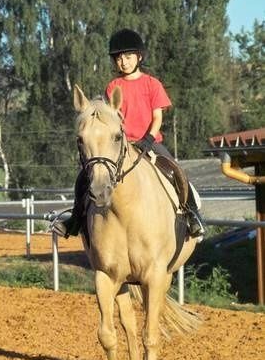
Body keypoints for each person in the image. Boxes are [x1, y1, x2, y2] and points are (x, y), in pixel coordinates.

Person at [52, 28, 204, 238]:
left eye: (128, 56)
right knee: (84, 178)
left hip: (149, 142)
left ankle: (191, 215)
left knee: (176, 171)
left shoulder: (152, 84)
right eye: (119, 58)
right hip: (120, 144)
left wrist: (148, 139)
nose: (123, 62)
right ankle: (76, 218)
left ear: (139, 57)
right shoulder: (113, 86)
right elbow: (108, 119)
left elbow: (157, 116)